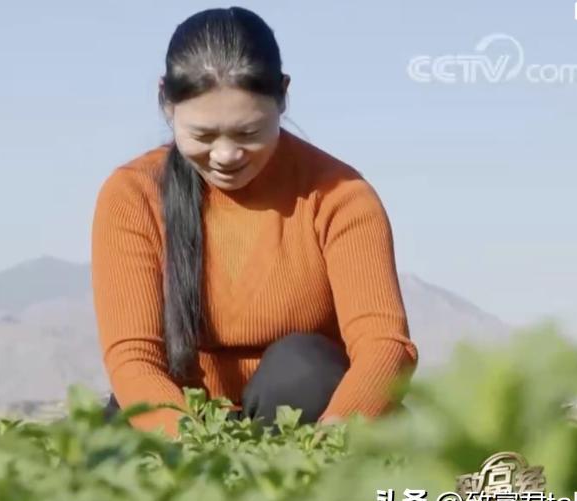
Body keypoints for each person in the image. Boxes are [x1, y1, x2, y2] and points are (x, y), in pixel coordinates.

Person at [91, 7, 418, 438]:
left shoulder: (340, 196)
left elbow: (385, 346)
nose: (226, 156)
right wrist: (199, 451)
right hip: (180, 425)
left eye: (248, 133)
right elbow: (133, 358)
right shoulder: (133, 194)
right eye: (203, 136)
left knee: (303, 366)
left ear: (283, 95)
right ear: (166, 102)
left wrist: (335, 438)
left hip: (310, 415)